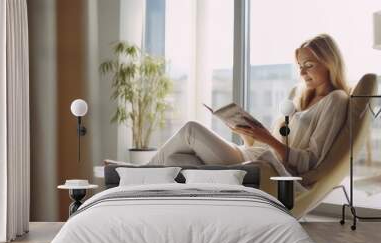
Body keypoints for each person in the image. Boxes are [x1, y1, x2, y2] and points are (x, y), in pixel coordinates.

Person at [148, 34, 349, 177]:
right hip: (251, 154)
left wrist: (269, 139)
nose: (302, 73)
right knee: (176, 160)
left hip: (266, 167)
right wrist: (248, 133)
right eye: (300, 66)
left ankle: (132, 177)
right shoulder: (298, 98)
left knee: (191, 129)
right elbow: (270, 144)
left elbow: (311, 161)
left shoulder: (335, 100)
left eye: (309, 65)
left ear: (329, 62)